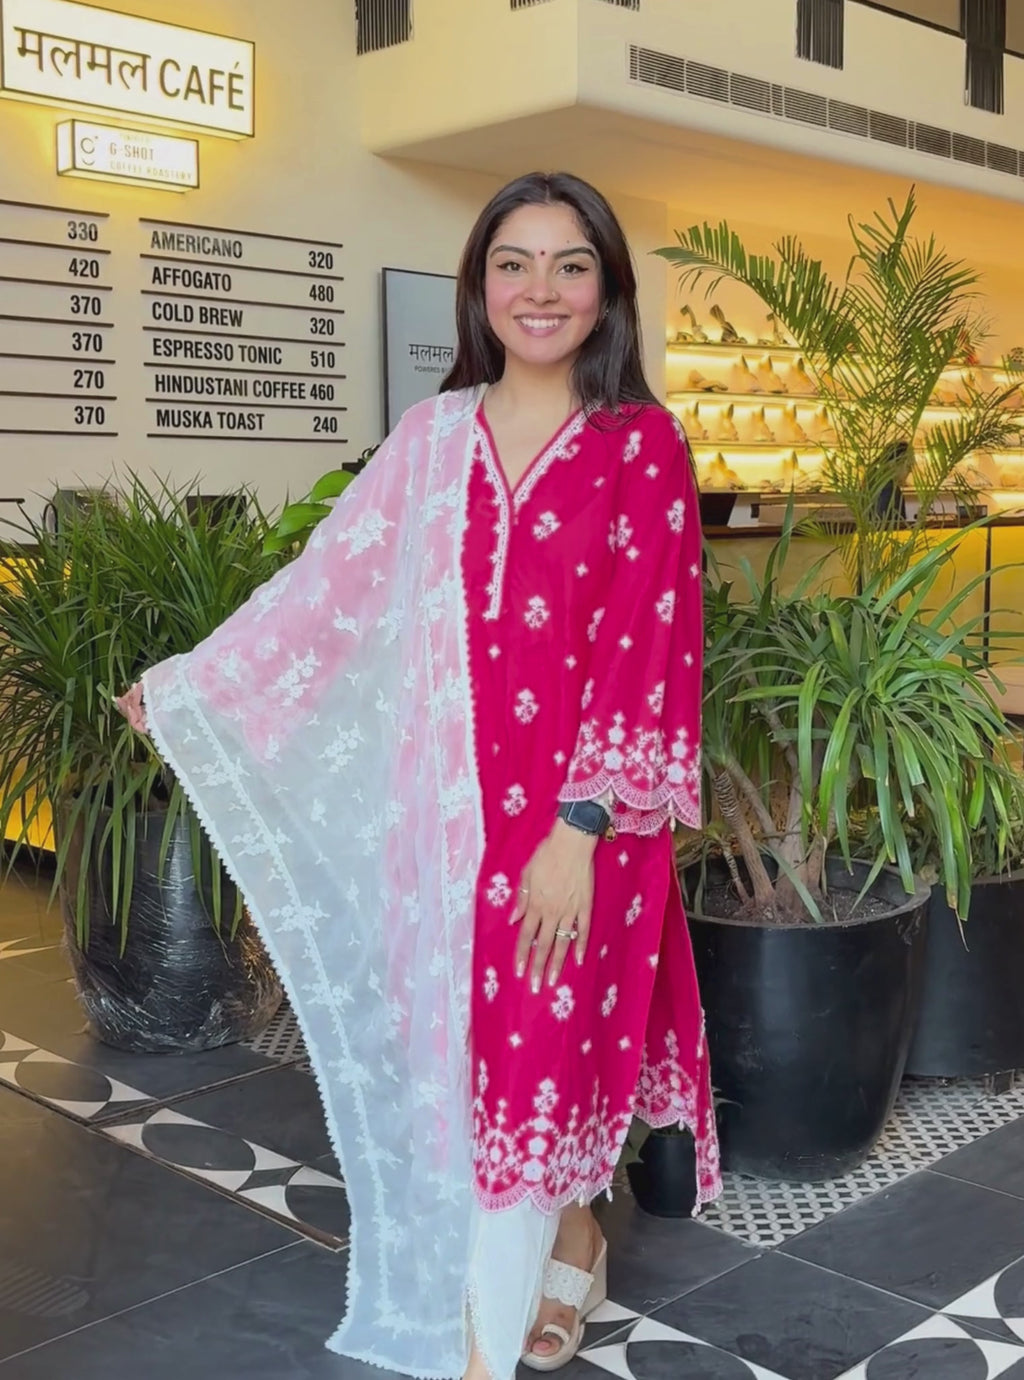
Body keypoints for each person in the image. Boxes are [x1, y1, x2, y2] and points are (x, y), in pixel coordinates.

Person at [116, 171, 721, 1380]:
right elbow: (328, 592)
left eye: (569, 265)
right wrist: (200, 689)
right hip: (446, 820)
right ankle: (565, 1238)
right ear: (478, 285)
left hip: (582, 824)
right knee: (472, 1052)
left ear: (607, 291)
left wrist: (580, 828)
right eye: (513, 263)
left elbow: (648, 650)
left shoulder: (639, 446)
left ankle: (501, 1316)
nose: (539, 290)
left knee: (543, 1044)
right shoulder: (431, 439)